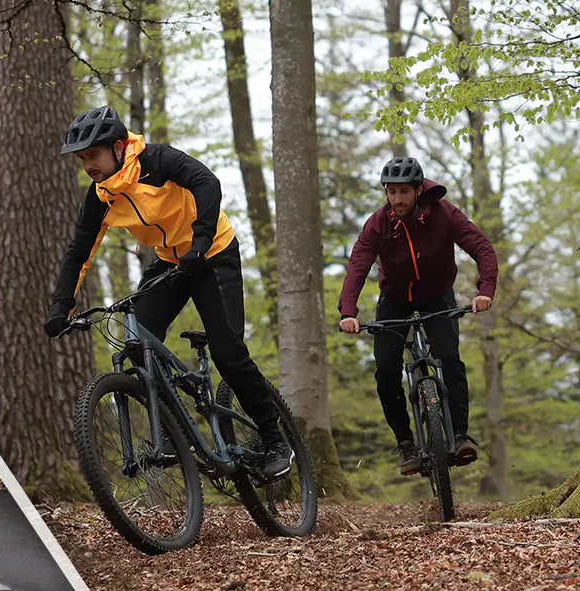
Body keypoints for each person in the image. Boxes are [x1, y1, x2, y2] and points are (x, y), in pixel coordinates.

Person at [43, 105, 292, 478]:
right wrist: (61, 306)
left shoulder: (157, 161)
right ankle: (181, 434)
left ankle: (276, 441)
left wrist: (200, 241)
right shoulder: (101, 197)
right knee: (136, 340)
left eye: (92, 155)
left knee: (228, 353)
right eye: (81, 159)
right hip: (171, 262)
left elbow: (207, 183)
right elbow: (78, 253)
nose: (88, 165)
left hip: (213, 253)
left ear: (117, 147)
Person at [337, 157, 497, 475]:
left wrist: (485, 290)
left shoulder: (444, 214)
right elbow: (358, 265)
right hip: (394, 301)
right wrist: (348, 311)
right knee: (385, 369)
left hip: (437, 298)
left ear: (418, 189)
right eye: (391, 192)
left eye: (403, 192)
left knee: (449, 357)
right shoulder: (378, 223)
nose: (397, 199)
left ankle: (461, 436)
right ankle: (407, 444)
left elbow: (481, 247)